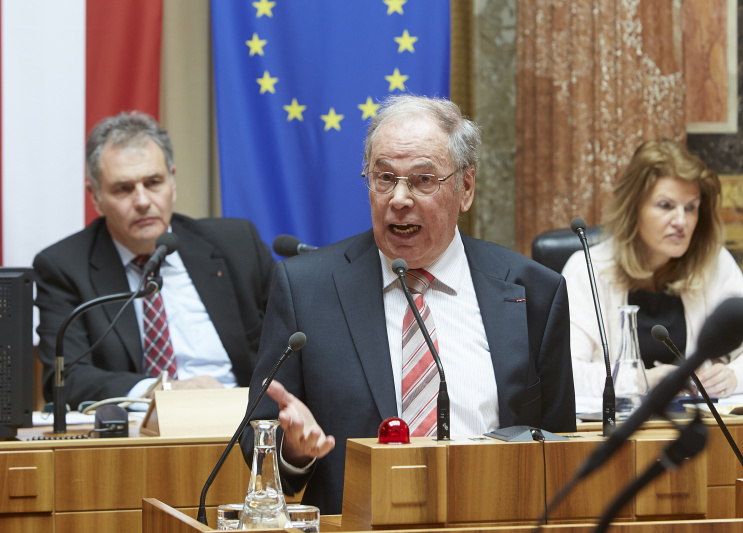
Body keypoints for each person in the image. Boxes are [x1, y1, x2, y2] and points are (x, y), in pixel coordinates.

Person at [240, 94, 576, 515]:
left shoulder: (534, 292)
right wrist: (293, 449)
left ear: (465, 187)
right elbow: (257, 438)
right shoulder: (305, 289)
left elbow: (560, 450)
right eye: (384, 178)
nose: (399, 198)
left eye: (423, 180)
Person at [34, 111, 276, 407]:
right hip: (138, 430)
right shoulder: (65, 267)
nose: (142, 201)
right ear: (95, 196)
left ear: (172, 182)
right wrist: (162, 391)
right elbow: (64, 378)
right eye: (123, 189)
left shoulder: (237, 245)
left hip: (241, 418)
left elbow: (292, 344)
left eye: (153, 182)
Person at [562, 139, 743, 400]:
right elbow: (565, 374)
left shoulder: (714, 263)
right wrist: (642, 381)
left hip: (696, 421)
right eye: (666, 206)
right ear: (633, 208)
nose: (681, 221)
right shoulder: (586, 269)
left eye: (690, 208)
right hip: (619, 424)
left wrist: (733, 376)